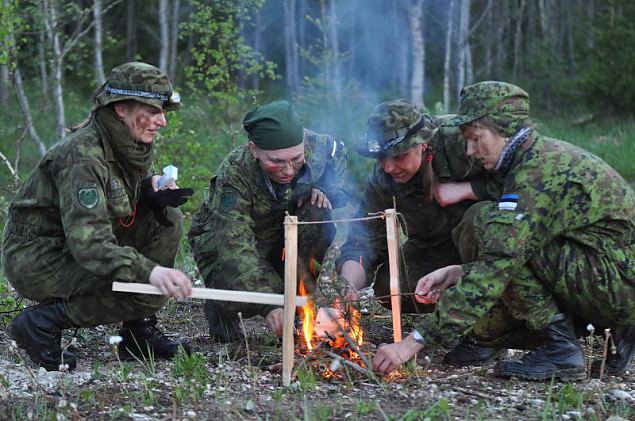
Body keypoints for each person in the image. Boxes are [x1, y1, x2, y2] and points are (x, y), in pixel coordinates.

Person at [372, 81, 635, 380]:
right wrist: (459, 271)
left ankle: (562, 351)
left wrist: (410, 344)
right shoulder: (534, 157)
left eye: (475, 138)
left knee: (488, 224)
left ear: (501, 128)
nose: (470, 150)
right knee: (497, 229)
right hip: (615, 276)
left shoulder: (536, 173)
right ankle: (596, 331)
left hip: (619, 286)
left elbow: (499, 262)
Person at [3, 62, 194, 372]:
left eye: (164, 112)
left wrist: (149, 188)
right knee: (138, 283)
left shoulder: (125, 143)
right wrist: (149, 271)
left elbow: (114, 194)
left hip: (69, 245)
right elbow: (90, 244)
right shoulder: (82, 157)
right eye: (155, 111)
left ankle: (138, 332)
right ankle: (40, 323)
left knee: (167, 215)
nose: (162, 121)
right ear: (121, 108)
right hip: (38, 259)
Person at [336, 99, 504, 366]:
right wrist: (347, 286)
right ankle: (458, 315)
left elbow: (526, 182)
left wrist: (469, 190)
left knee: (477, 217)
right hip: (438, 247)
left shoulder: (461, 141)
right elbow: (364, 239)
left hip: (495, 247)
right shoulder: (383, 178)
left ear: (422, 144)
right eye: (382, 158)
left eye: (399, 156)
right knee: (391, 285)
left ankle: (491, 330)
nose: (389, 167)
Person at [188, 100, 349, 341]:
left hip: (280, 234)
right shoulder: (234, 174)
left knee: (317, 213)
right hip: (225, 243)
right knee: (235, 288)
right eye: (276, 162)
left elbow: (339, 165)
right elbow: (235, 247)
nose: (288, 170)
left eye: (295, 159)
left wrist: (321, 189)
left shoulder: (319, 146)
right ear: (254, 149)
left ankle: (297, 305)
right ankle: (221, 304)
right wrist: (269, 304)